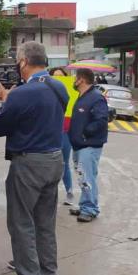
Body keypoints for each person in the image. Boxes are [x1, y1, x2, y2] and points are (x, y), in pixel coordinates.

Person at [0, 41, 68, 275]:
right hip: (54, 159)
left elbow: (0, 127)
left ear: (23, 62)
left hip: (29, 163)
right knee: (45, 225)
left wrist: (6, 101)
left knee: (21, 223)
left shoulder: (22, 93)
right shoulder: (59, 87)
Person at [68, 68, 108, 223]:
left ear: (82, 80)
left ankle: (90, 209)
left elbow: (101, 120)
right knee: (82, 177)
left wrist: (85, 134)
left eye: (75, 78)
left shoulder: (96, 98)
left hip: (89, 145)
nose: (74, 81)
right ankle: (85, 204)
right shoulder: (83, 96)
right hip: (79, 145)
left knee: (87, 177)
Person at [49, 67, 75, 206]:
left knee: (64, 163)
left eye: (61, 77)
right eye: (55, 77)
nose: (58, 79)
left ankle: (69, 191)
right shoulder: (45, 91)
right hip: (50, 132)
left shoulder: (71, 93)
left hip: (65, 132)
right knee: (49, 163)